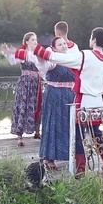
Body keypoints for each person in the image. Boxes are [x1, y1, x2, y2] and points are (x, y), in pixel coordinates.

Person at [33, 27, 103, 178]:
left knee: (78, 135)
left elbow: (59, 59)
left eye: (91, 36)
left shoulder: (86, 55)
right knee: (96, 134)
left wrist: (38, 49)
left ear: (94, 40)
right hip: (97, 102)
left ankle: (80, 171)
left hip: (83, 101)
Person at [34, 37, 77, 171]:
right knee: (53, 124)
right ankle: (49, 157)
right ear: (54, 48)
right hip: (55, 95)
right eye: (60, 44)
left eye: (64, 43)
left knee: (67, 125)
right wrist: (41, 57)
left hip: (70, 95)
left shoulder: (71, 58)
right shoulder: (52, 59)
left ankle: (68, 154)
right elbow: (42, 65)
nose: (63, 46)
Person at [3, 32, 42, 146]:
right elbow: (12, 61)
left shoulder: (38, 53)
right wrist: (7, 53)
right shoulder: (23, 53)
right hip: (26, 83)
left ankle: (37, 131)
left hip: (36, 84)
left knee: (37, 106)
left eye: (36, 40)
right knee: (22, 106)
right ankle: (19, 135)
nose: (35, 42)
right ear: (27, 42)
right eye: (33, 40)